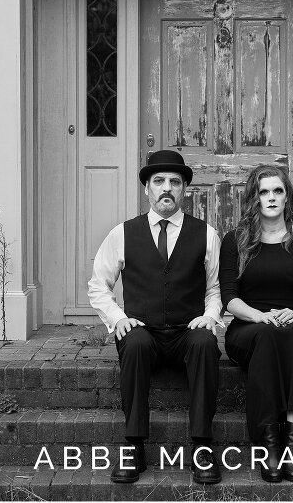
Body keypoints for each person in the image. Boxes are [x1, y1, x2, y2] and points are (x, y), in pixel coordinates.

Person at [88, 149, 224, 485]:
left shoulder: (206, 234)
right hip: (143, 331)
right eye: (159, 181)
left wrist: (210, 316)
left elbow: (215, 288)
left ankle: (202, 447)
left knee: (206, 343)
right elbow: (98, 285)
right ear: (146, 188)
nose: (167, 188)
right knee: (132, 343)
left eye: (174, 182)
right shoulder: (122, 233)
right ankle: (134, 447)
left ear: (184, 189)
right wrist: (118, 318)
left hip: (186, 332)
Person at [219, 165, 293, 483]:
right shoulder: (235, 241)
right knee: (268, 335)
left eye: (277, 191)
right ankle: (270, 444)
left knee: (292, 335)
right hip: (248, 328)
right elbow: (229, 299)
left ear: (287, 197)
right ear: (254, 198)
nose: (270, 197)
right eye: (263, 191)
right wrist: (259, 315)